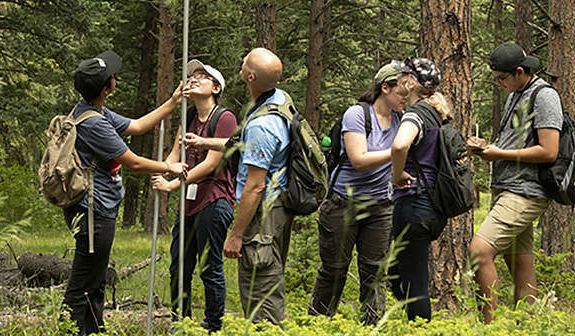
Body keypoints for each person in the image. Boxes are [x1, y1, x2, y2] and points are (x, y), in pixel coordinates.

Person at [64, 50, 187, 336]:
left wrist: (172, 103)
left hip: (97, 209)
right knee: (83, 281)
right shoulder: (94, 123)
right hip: (93, 211)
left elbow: (138, 126)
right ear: (108, 87)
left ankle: (93, 330)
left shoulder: (93, 110)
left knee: (94, 279)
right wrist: (169, 166)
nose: (115, 79)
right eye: (112, 77)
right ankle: (70, 329)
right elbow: (132, 161)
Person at [308, 61, 413, 324]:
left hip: (380, 206)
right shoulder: (356, 114)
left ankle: (372, 326)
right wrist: (396, 152)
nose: (405, 99)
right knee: (334, 269)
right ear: (384, 88)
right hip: (343, 203)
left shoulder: (401, 120)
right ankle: (318, 324)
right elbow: (358, 159)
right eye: (402, 92)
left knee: (375, 272)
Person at [466, 42, 562, 323]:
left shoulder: (544, 96)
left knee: (479, 251)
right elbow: (515, 142)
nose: (499, 84)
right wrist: (487, 147)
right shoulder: (515, 94)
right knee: (520, 262)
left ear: (520, 72)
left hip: (526, 193)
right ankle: (530, 326)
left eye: (501, 78)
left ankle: (490, 328)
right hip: (508, 187)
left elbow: (549, 150)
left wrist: (500, 154)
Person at [150, 60, 237, 333]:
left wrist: (173, 186)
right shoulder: (187, 114)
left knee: (209, 267)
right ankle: (181, 321)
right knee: (179, 264)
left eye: (203, 76)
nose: (194, 79)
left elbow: (211, 164)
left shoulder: (224, 118)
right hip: (188, 203)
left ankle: (213, 325)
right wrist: (164, 170)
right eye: (192, 75)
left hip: (215, 200)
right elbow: (176, 151)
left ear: (216, 87)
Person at [222, 47, 294, 325]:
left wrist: (237, 234)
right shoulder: (279, 100)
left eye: (245, 62)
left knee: (261, 289)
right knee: (268, 278)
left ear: (250, 77)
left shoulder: (262, 126)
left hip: (262, 216)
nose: (241, 62)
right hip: (279, 207)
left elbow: (255, 186)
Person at [389, 57, 449, 321]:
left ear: (411, 82)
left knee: (416, 283)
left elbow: (400, 146)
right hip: (433, 206)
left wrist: (397, 173)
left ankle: (420, 327)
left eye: (403, 76)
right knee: (400, 270)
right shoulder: (437, 114)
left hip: (414, 203)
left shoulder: (415, 114)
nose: (400, 80)